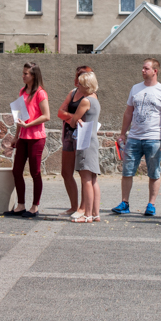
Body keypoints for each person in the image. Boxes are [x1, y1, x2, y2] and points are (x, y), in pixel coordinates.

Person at [111, 59, 161, 216]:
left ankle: (151, 204)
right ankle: (124, 203)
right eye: (143, 68)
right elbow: (128, 112)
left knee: (154, 172)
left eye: (146, 68)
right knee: (127, 171)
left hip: (154, 138)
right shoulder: (135, 89)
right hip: (134, 138)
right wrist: (122, 133)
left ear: (155, 71)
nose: (143, 70)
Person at [8, 62, 49, 217]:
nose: (23, 76)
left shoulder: (41, 93)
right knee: (17, 170)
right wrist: (15, 136)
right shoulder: (22, 91)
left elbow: (47, 116)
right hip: (23, 138)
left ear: (34, 75)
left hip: (37, 138)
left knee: (35, 172)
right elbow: (20, 117)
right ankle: (20, 205)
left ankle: (35, 206)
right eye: (23, 73)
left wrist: (28, 124)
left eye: (26, 73)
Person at [57, 65, 93, 215]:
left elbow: (88, 116)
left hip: (83, 136)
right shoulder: (72, 93)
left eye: (84, 75)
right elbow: (60, 112)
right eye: (79, 75)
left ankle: (83, 208)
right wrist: (73, 118)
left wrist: (70, 117)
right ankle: (73, 206)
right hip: (68, 134)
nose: (79, 79)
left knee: (84, 174)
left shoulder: (91, 95)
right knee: (66, 172)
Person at [66, 71, 101, 223]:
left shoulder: (86, 101)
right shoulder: (95, 99)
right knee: (93, 179)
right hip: (92, 140)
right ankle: (95, 214)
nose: (77, 86)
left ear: (86, 85)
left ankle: (87, 215)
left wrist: (76, 120)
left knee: (86, 178)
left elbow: (73, 121)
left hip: (85, 140)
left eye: (80, 83)